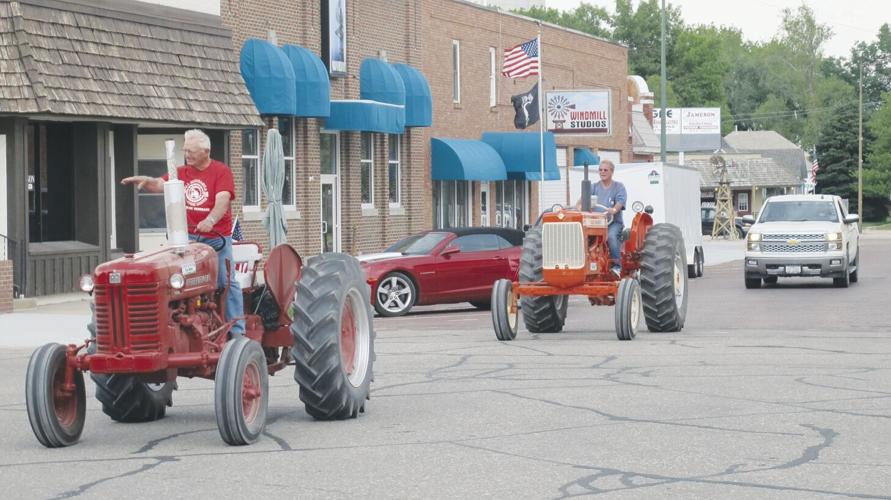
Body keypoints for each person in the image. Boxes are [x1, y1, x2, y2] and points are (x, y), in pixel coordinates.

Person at [121, 129, 245, 336]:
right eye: (185, 150)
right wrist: (146, 180)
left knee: (226, 281)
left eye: (191, 151)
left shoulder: (221, 171)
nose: (186, 155)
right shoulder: (181, 172)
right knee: (174, 279)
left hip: (215, 240)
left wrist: (210, 220)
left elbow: (223, 200)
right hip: (186, 239)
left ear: (205, 151)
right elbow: (162, 184)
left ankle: (237, 331)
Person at [576, 160, 627, 276]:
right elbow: (579, 202)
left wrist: (613, 210)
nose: (602, 172)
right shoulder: (593, 187)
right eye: (600, 170)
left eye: (605, 170)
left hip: (612, 223)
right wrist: (580, 208)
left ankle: (616, 267)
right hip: (595, 223)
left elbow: (620, 202)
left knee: (611, 237)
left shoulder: (619, 187)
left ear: (612, 172)